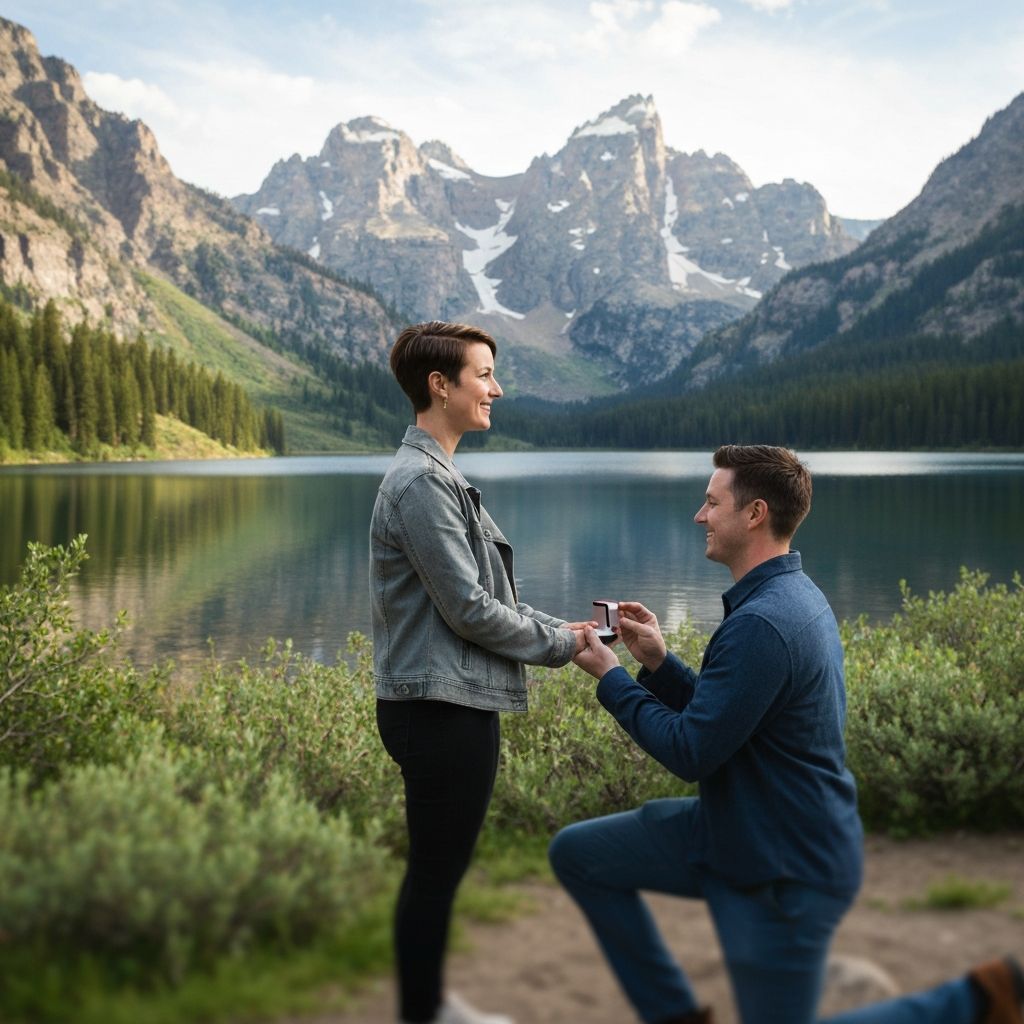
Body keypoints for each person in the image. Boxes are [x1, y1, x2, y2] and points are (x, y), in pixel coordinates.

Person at [550, 444, 1023, 1024]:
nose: (700, 516)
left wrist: (612, 676)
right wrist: (659, 665)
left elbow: (690, 750)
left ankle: (976, 1000)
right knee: (581, 854)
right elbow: (728, 717)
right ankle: (676, 1015)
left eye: (711, 502)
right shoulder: (785, 597)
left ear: (754, 514)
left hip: (784, 867)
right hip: (736, 829)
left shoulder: (763, 623)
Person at [370, 321, 589, 1024]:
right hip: (439, 710)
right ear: (442, 385)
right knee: (435, 876)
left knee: (437, 873)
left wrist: (574, 632)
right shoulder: (423, 484)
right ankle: (425, 1013)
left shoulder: (437, 476)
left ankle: (427, 1006)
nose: (495, 388)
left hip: (443, 703)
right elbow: (469, 609)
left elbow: (491, 603)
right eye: (484, 373)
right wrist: (562, 649)